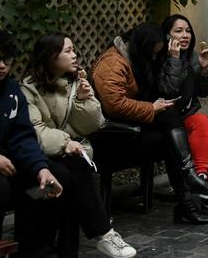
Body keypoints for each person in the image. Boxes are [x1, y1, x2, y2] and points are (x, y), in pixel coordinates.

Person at [21, 34, 137, 257]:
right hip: (40, 157)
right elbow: (35, 131)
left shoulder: (76, 82)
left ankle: (87, 242)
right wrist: (66, 142)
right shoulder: (28, 90)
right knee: (71, 173)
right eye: (67, 51)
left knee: (73, 169)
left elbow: (92, 125)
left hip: (72, 155)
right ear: (50, 56)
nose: (74, 55)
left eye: (74, 49)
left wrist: (84, 100)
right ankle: (103, 234)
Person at [92, 23, 208, 225]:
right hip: (112, 138)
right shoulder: (113, 63)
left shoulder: (136, 58)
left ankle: (187, 201)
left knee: (169, 128)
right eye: (152, 52)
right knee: (169, 132)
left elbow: (171, 91)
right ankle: (188, 187)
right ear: (143, 45)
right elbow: (114, 105)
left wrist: (174, 61)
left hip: (132, 130)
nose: (153, 57)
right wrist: (151, 109)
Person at [0, 28, 64, 256]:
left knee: (47, 186)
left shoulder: (10, 91)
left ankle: (32, 250)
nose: (2, 66)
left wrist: (41, 168)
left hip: (4, 163)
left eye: (7, 60)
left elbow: (22, 136)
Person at [158, 14, 208, 218]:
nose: (185, 35)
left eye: (188, 31)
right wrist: (173, 60)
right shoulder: (161, 59)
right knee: (200, 125)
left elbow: (203, 92)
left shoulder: (190, 57)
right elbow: (168, 92)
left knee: (201, 121)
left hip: (183, 117)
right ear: (166, 36)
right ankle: (207, 193)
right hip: (163, 120)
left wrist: (205, 69)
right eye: (178, 31)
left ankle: (201, 180)